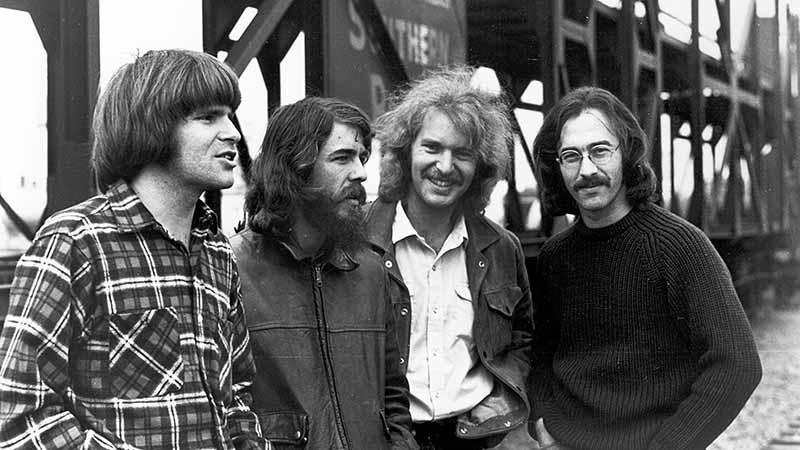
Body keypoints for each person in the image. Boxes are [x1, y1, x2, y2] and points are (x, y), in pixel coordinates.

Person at [0, 49, 266, 449]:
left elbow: (237, 396)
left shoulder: (217, 252)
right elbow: (19, 417)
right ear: (152, 128)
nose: (233, 133)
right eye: (209, 117)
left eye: (230, 116)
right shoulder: (76, 242)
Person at [529, 86, 762, 450]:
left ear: (627, 153)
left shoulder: (680, 245)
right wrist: (542, 424)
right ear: (557, 166)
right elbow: (542, 357)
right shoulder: (555, 257)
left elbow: (738, 364)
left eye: (600, 151)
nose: (586, 170)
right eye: (571, 156)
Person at [231, 97, 417, 450]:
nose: (361, 173)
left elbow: (393, 397)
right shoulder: (231, 269)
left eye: (362, 158)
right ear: (294, 169)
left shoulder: (371, 270)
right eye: (342, 158)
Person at [365, 67, 537, 449]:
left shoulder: (501, 248)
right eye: (432, 148)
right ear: (404, 151)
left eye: (462, 154)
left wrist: (501, 400)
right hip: (388, 437)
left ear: (481, 168)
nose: (445, 166)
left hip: (475, 437)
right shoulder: (360, 240)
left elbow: (522, 338)